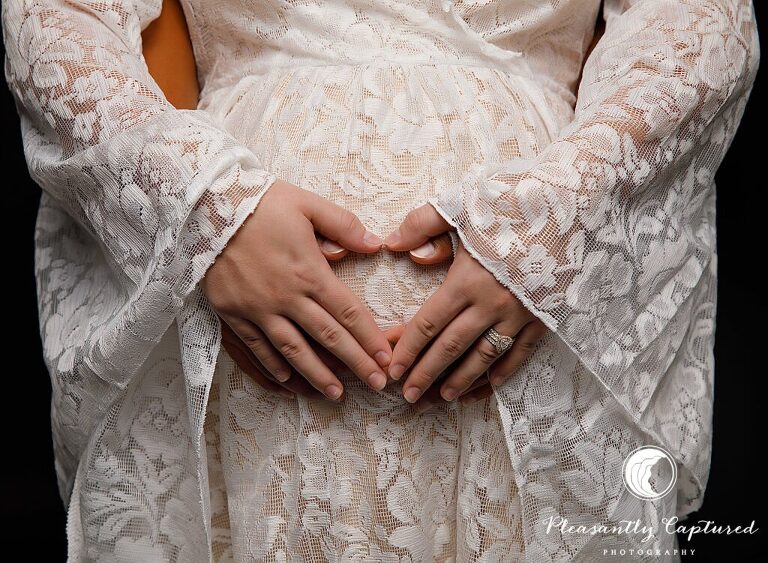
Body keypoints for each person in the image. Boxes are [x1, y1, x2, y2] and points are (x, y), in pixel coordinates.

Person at [2, 0, 758, 561]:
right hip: (229, 351)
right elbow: (56, 19)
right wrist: (201, 205)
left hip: (536, 338)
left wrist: (561, 213)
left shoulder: (555, 229)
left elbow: (696, 23)